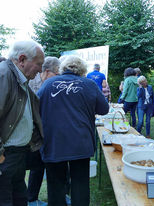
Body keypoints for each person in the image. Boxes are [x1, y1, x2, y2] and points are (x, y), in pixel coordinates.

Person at [37, 55, 109, 206]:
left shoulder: (48, 84)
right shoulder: (89, 84)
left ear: (62, 68)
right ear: (82, 70)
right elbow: (104, 109)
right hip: (80, 141)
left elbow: (35, 108)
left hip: (54, 142)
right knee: (80, 182)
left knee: (55, 184)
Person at [0, 40, 44, 206]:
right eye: (38, 64)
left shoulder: (19, 78)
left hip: (18, 154)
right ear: (22, 59)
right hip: (6, 156)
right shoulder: (3, 75)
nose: (40, 69)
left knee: (19, 199)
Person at [27, 57, 66, 206]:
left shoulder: (51, 82)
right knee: (37, 165)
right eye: (57, 74)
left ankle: (58, 196)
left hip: (51, 130)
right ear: (47, 71)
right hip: (36, 132)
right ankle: (32, 199)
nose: (59, 78)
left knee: (53, 165)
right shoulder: (33, 82)